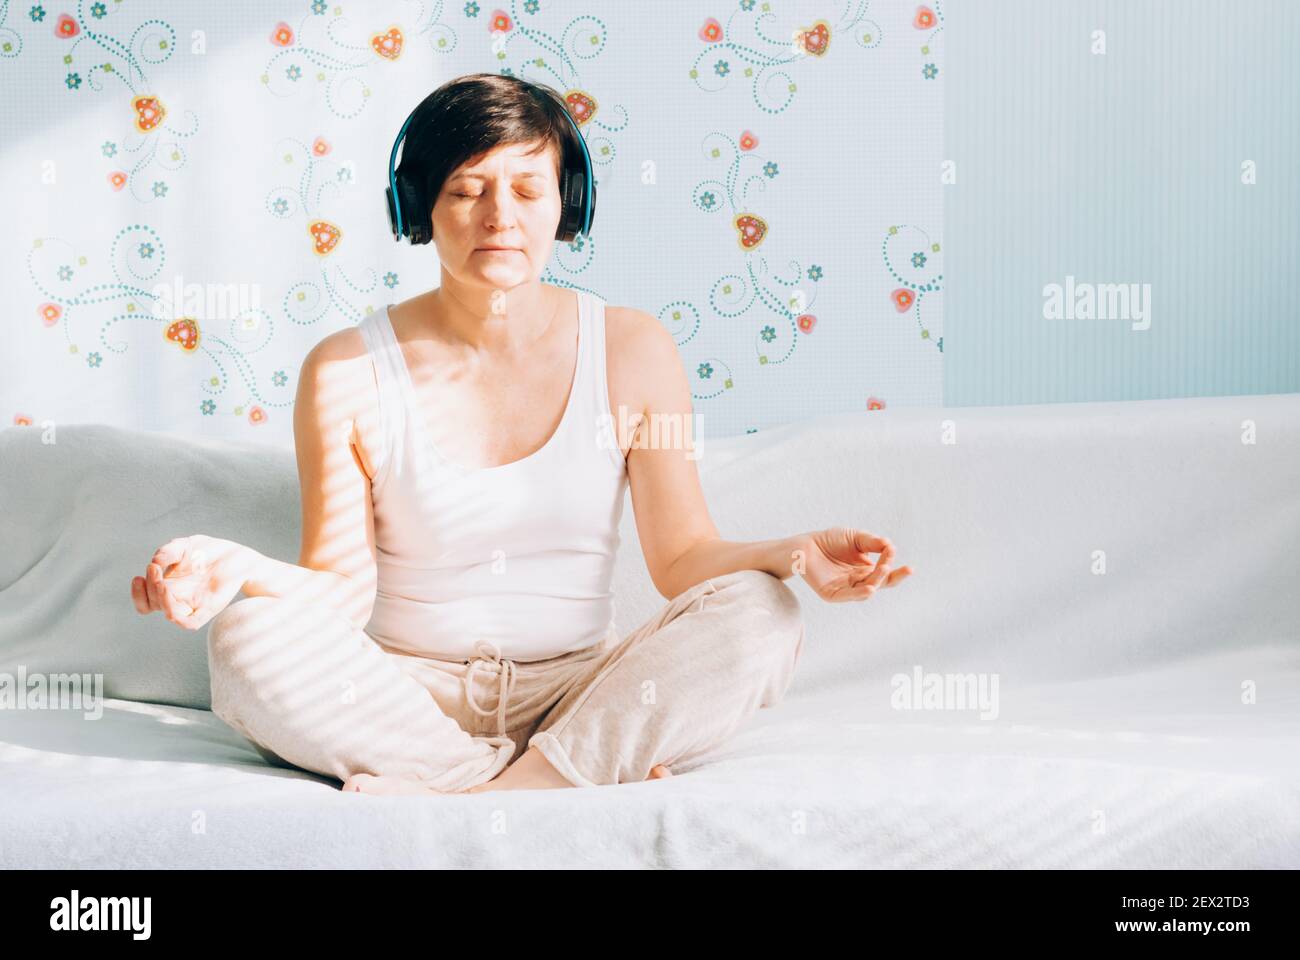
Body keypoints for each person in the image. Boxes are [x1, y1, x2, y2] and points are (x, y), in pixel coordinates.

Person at [129, 73, 912, 796]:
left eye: (528, 190)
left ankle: (486, 790)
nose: (499, 216)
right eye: (467, 190)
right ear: (419, 208)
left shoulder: (636, 350)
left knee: (763, 612)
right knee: (244, 637)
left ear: (565, 204)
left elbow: (683, 561)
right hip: (403, 700)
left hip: (584, 692)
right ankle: (528, 785)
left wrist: (798, 556)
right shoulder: (343, 369)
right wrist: (232, 568)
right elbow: (338, 589)